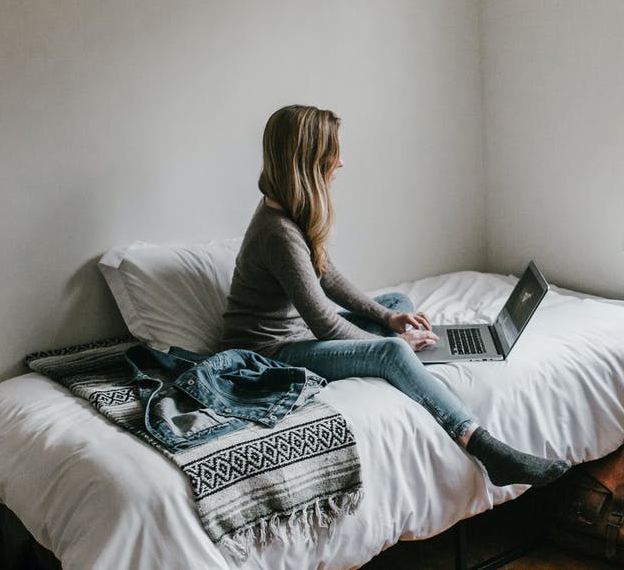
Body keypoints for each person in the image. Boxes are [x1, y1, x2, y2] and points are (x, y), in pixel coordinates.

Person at [220, 105, 568, 487]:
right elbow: (322, 321)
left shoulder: (288, 211)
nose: (341, 162)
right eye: (333, 152)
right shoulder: (278, 233)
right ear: (309, 160)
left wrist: (387, 321)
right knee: (392, 351)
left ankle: (399, 357)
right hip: (269, 355)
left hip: (297, 334)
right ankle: (485, 447)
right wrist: (392, 343)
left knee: (396, 305)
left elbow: (328, 276)